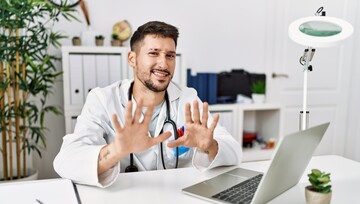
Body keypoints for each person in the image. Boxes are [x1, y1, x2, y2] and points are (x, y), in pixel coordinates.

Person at [54, 21, 241, 187]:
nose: (164, 63)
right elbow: (66, 160)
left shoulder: (187, 98)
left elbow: (234, 151)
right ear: (132, 59)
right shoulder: (103, 99)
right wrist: (117, 150)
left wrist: (210, 146)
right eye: (153, 53)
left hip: (175, 201)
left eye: (170, 55)